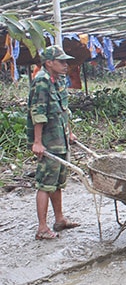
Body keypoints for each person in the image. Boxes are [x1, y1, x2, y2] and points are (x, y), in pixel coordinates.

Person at [26, 45, 80, 240]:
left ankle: (59, 219)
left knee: (57, 182)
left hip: (60, 138)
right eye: (61, 61)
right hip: (48, 140)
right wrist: (37, 142)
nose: (66, 65)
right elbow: (38, 113)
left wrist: (70, 133)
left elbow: (63, 110)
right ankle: (42, 228)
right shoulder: (41, 81)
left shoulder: (57, 80)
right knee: (45, 184)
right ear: (49, 62)